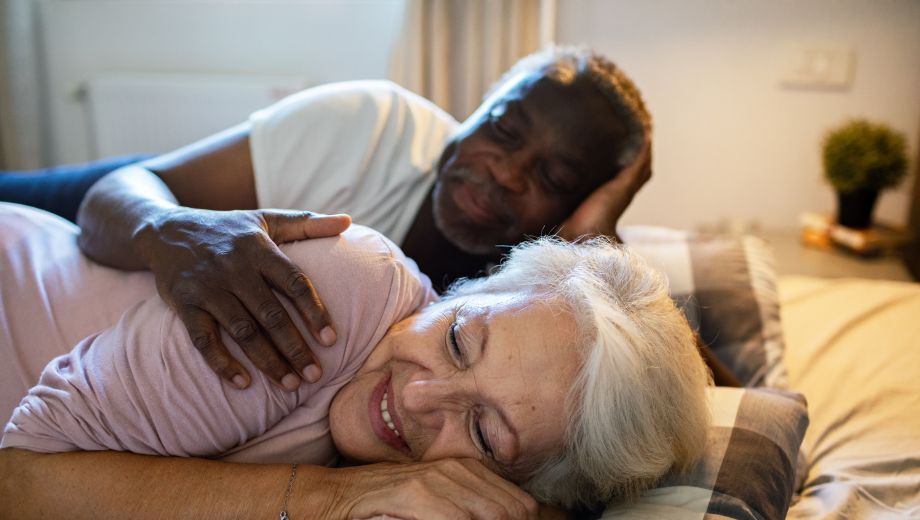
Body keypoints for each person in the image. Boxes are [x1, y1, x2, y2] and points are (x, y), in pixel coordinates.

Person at [0, 203, 710, 520]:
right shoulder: (336, 291)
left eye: (485, 429)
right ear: (466, 293)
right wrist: (339, 494)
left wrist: (542, 517)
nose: (420, 392)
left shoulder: (470, 486)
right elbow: (21, 491)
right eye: (461, 339)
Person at [0, 45, 657, 394]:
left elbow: (678, 396)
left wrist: (597, 239)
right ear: (476, 108)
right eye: (504, 129)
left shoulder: (530, 306)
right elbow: (112, 197)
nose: (508, 172)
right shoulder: (374, 127)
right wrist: (171, 228)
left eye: (554, 178)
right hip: (86, 211)